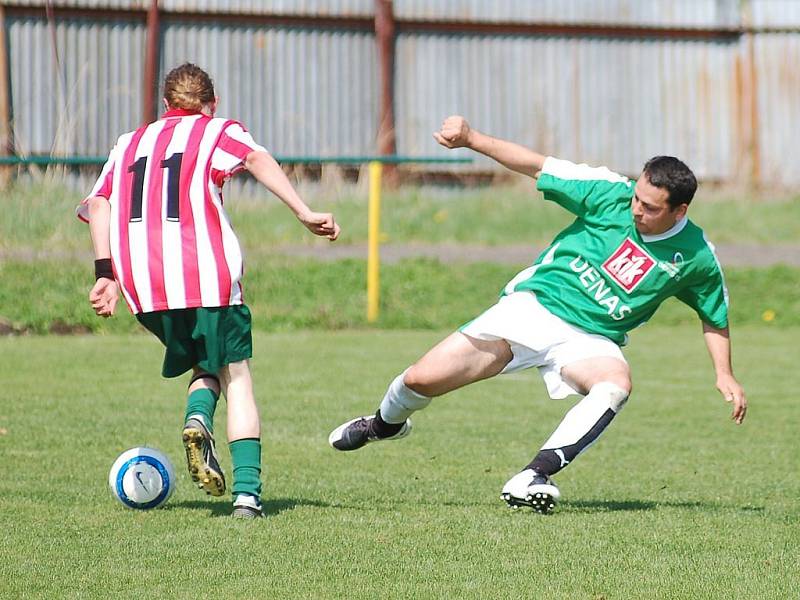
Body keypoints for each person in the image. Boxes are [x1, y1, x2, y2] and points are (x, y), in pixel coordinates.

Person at [329, 115, 746, 514]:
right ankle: (383, 426)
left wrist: (723, 372)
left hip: (590, 340)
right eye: (637, 198)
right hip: (532, 310)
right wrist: (472, 138)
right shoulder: (609, 193)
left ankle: (534, 476)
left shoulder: (696, 257)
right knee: (420, 379)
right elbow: (536, 164)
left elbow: (714, 314)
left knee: (615, 384)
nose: (637, 210)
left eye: (651, 208)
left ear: (680, 211)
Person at [79, 63, 340, 518]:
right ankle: (247, 496)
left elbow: (99, 201)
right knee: (237, 375)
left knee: (206, 364)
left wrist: (106, 273)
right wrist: (302, 210)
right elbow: (255, 158)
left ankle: (199, 417)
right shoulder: (218, 131)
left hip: (143, 285)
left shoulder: (129, 142)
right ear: (210, 103)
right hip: (204, 275)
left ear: (165, 106)